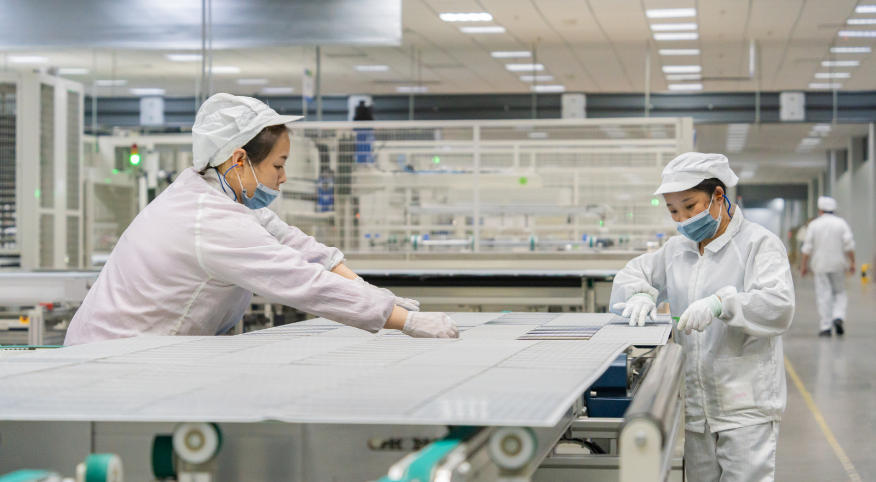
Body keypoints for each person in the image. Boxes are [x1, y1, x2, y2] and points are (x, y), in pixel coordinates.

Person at [65, 94, 457, 345]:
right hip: (111, 357)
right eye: (278, 165)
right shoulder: (210, 221)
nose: (283, 177)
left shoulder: (214, 195)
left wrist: (373, 293)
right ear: (239, 160)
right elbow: (301, 281)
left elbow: (298, 246)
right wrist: (404, 321)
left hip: (137, 351)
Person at [609, 153, 794, 482]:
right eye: (673, 211)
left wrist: (722, 303)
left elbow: (778, 305)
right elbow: (632, 274)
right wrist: (638, 293)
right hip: (697, 406)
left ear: (718, 196)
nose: (682, 220)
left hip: (745, 404)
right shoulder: (677, 250)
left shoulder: (759, 244)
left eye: (689, 206)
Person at [800, 196, 855, 337]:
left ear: (820, 210)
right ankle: (838, 317)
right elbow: (849, 245)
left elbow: (807, 248)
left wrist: (803, 266)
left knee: (823, 295)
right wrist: (853, 262)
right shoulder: (841, 223)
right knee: (840, 292)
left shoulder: (814, 225)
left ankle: (825, 327)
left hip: (820, 265)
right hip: (838, 265)